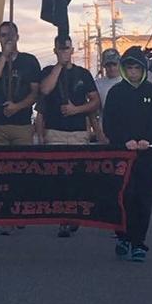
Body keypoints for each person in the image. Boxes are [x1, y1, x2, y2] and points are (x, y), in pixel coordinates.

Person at [103, 46, 152, 263]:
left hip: (146, 155)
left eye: (136, 68)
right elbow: (109, 123)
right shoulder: (116, 93)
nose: (132, 72)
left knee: (142, 198)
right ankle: (122, 236)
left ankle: (138, 241)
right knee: (123, 196)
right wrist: (124, 141)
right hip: (122, 154)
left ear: (143, 69)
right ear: (123, 69)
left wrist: (148, 140)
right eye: (129, 68)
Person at [40, 35, 100, 238]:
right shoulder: (48, 71)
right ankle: (62, 218)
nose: (64, 52)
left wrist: (76, 110)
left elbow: (95, 102)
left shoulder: (83, 74)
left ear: (72, 50)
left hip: (77, 132)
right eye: (60, 49)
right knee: (59, 177)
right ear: (55, 50)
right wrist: (59, 66)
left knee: (76, 176)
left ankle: (74, 213)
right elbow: (45, 90)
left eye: (67, 49)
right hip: (55, 131)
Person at [0, 21, 41, 146]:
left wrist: (17, 106)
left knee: (23, 163)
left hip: (22, 124)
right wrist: (4, 56)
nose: (8, 39)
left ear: (17, 37)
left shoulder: (30, 61)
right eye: (3, 35)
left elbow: (35, 93)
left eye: (11, 35)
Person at [90, 48, 121, 143]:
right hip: (105, 134)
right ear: (104, 66)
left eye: (114, 64)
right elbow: (92, 113)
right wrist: (99, 133)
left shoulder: (128, 83)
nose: (111, 68)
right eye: (108, 65)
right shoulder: (98, 84)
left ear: (119, 64)